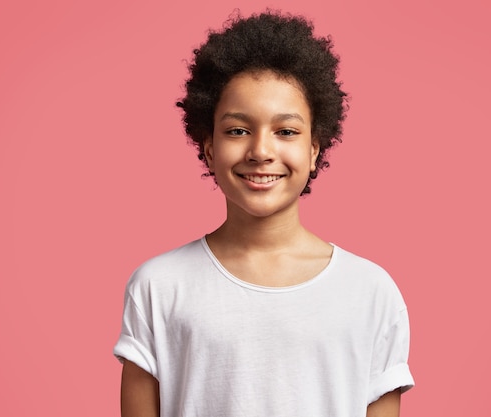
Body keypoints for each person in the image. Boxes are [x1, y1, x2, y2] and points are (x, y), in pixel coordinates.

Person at [114, 10, 414, 417]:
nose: (260, 151)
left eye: (286, 131)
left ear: (314, 150)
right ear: (208, 147)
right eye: (238, 130)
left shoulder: (371, 292)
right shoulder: (158, 287)